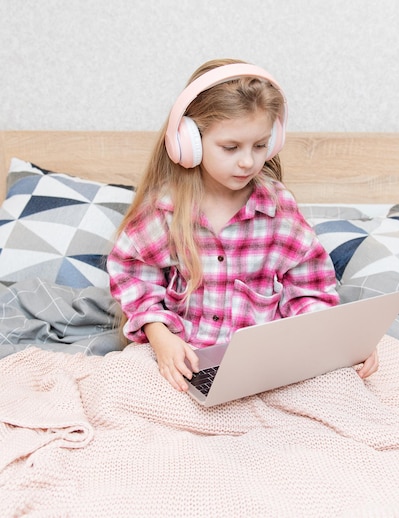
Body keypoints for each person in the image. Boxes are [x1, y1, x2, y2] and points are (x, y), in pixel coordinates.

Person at [107, 58, 379, 392]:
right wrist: (160, 337)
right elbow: (134, 277)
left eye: (260, 145)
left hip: (264, 367)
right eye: (231, 147)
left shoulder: (277, 208)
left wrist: (338, 342)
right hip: (183, 358)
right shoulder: (165, 209)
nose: (248, 161)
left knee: (344, 392)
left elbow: (308, 288)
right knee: (120, 386)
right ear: (189, 142)